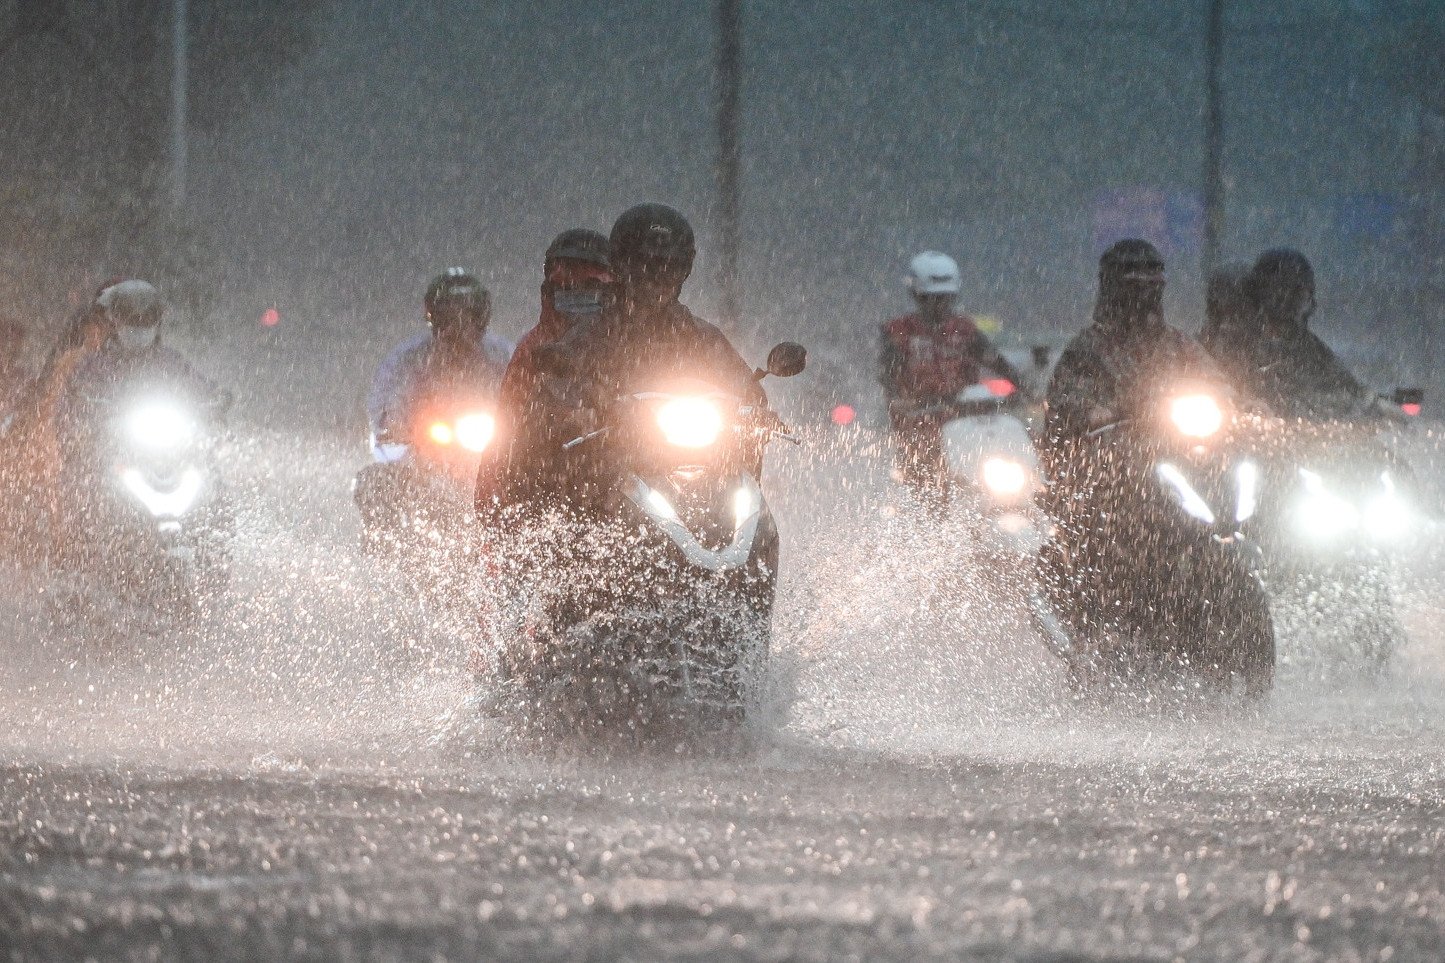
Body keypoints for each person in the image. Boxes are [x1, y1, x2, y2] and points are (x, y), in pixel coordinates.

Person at [481, 203, 765, 519]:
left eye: (668, 266)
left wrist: (757, 408)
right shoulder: (588, 335)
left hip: (697, 477)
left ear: (685, 270)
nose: (656, 276)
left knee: (749, 506)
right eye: (644, 265)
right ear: (621, 267)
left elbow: (743, 386)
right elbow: (550, 396)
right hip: (604, 487)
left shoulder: (702, 336)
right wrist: (585, 410)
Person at [52, 280, 226, 560]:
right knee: (81, 482)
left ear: (158, 322)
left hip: (164, 452)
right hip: (111, 452)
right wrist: (83, 425)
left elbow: (196, 384)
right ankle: (81, 561)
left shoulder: (169, 361)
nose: (138, 324)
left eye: (146, 317)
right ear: (115, 320)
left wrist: (215, 397)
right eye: (131, 317)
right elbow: (71, 406)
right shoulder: (94, 366)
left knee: (210, 475)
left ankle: (214, 550)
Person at [879, 250, 1029, 492]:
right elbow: (888, 375)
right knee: (929, 487)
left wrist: (1025, 387)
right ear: (917, 296)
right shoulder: (898, 332)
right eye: (931, 299)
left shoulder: (964, 329)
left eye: (946, 298)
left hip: (966, 425)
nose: (939, 305)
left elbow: (995, 360)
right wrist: (904, 401)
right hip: (921, 427)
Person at [1204, 248, 1383, 423]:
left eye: (1299, 294)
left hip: (1298, 440)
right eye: (1281, 292)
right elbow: (1205, 384)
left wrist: (1367, 405)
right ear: (1260, 295)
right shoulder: (1228, 341)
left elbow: (1347, 389)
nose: (1289, 302)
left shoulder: (1310, 348)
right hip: (1234, 437)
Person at [365, 268, 514, 454]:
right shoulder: (409, 358)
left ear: (482, 314)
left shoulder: (504, 355)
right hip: (425, 451)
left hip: (494, 450)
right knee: (378, 477)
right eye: (449, 314)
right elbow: (387, 399)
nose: (460, 322)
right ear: (433, 315)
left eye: (469, 312)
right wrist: (397, 425)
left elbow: (527, 392)